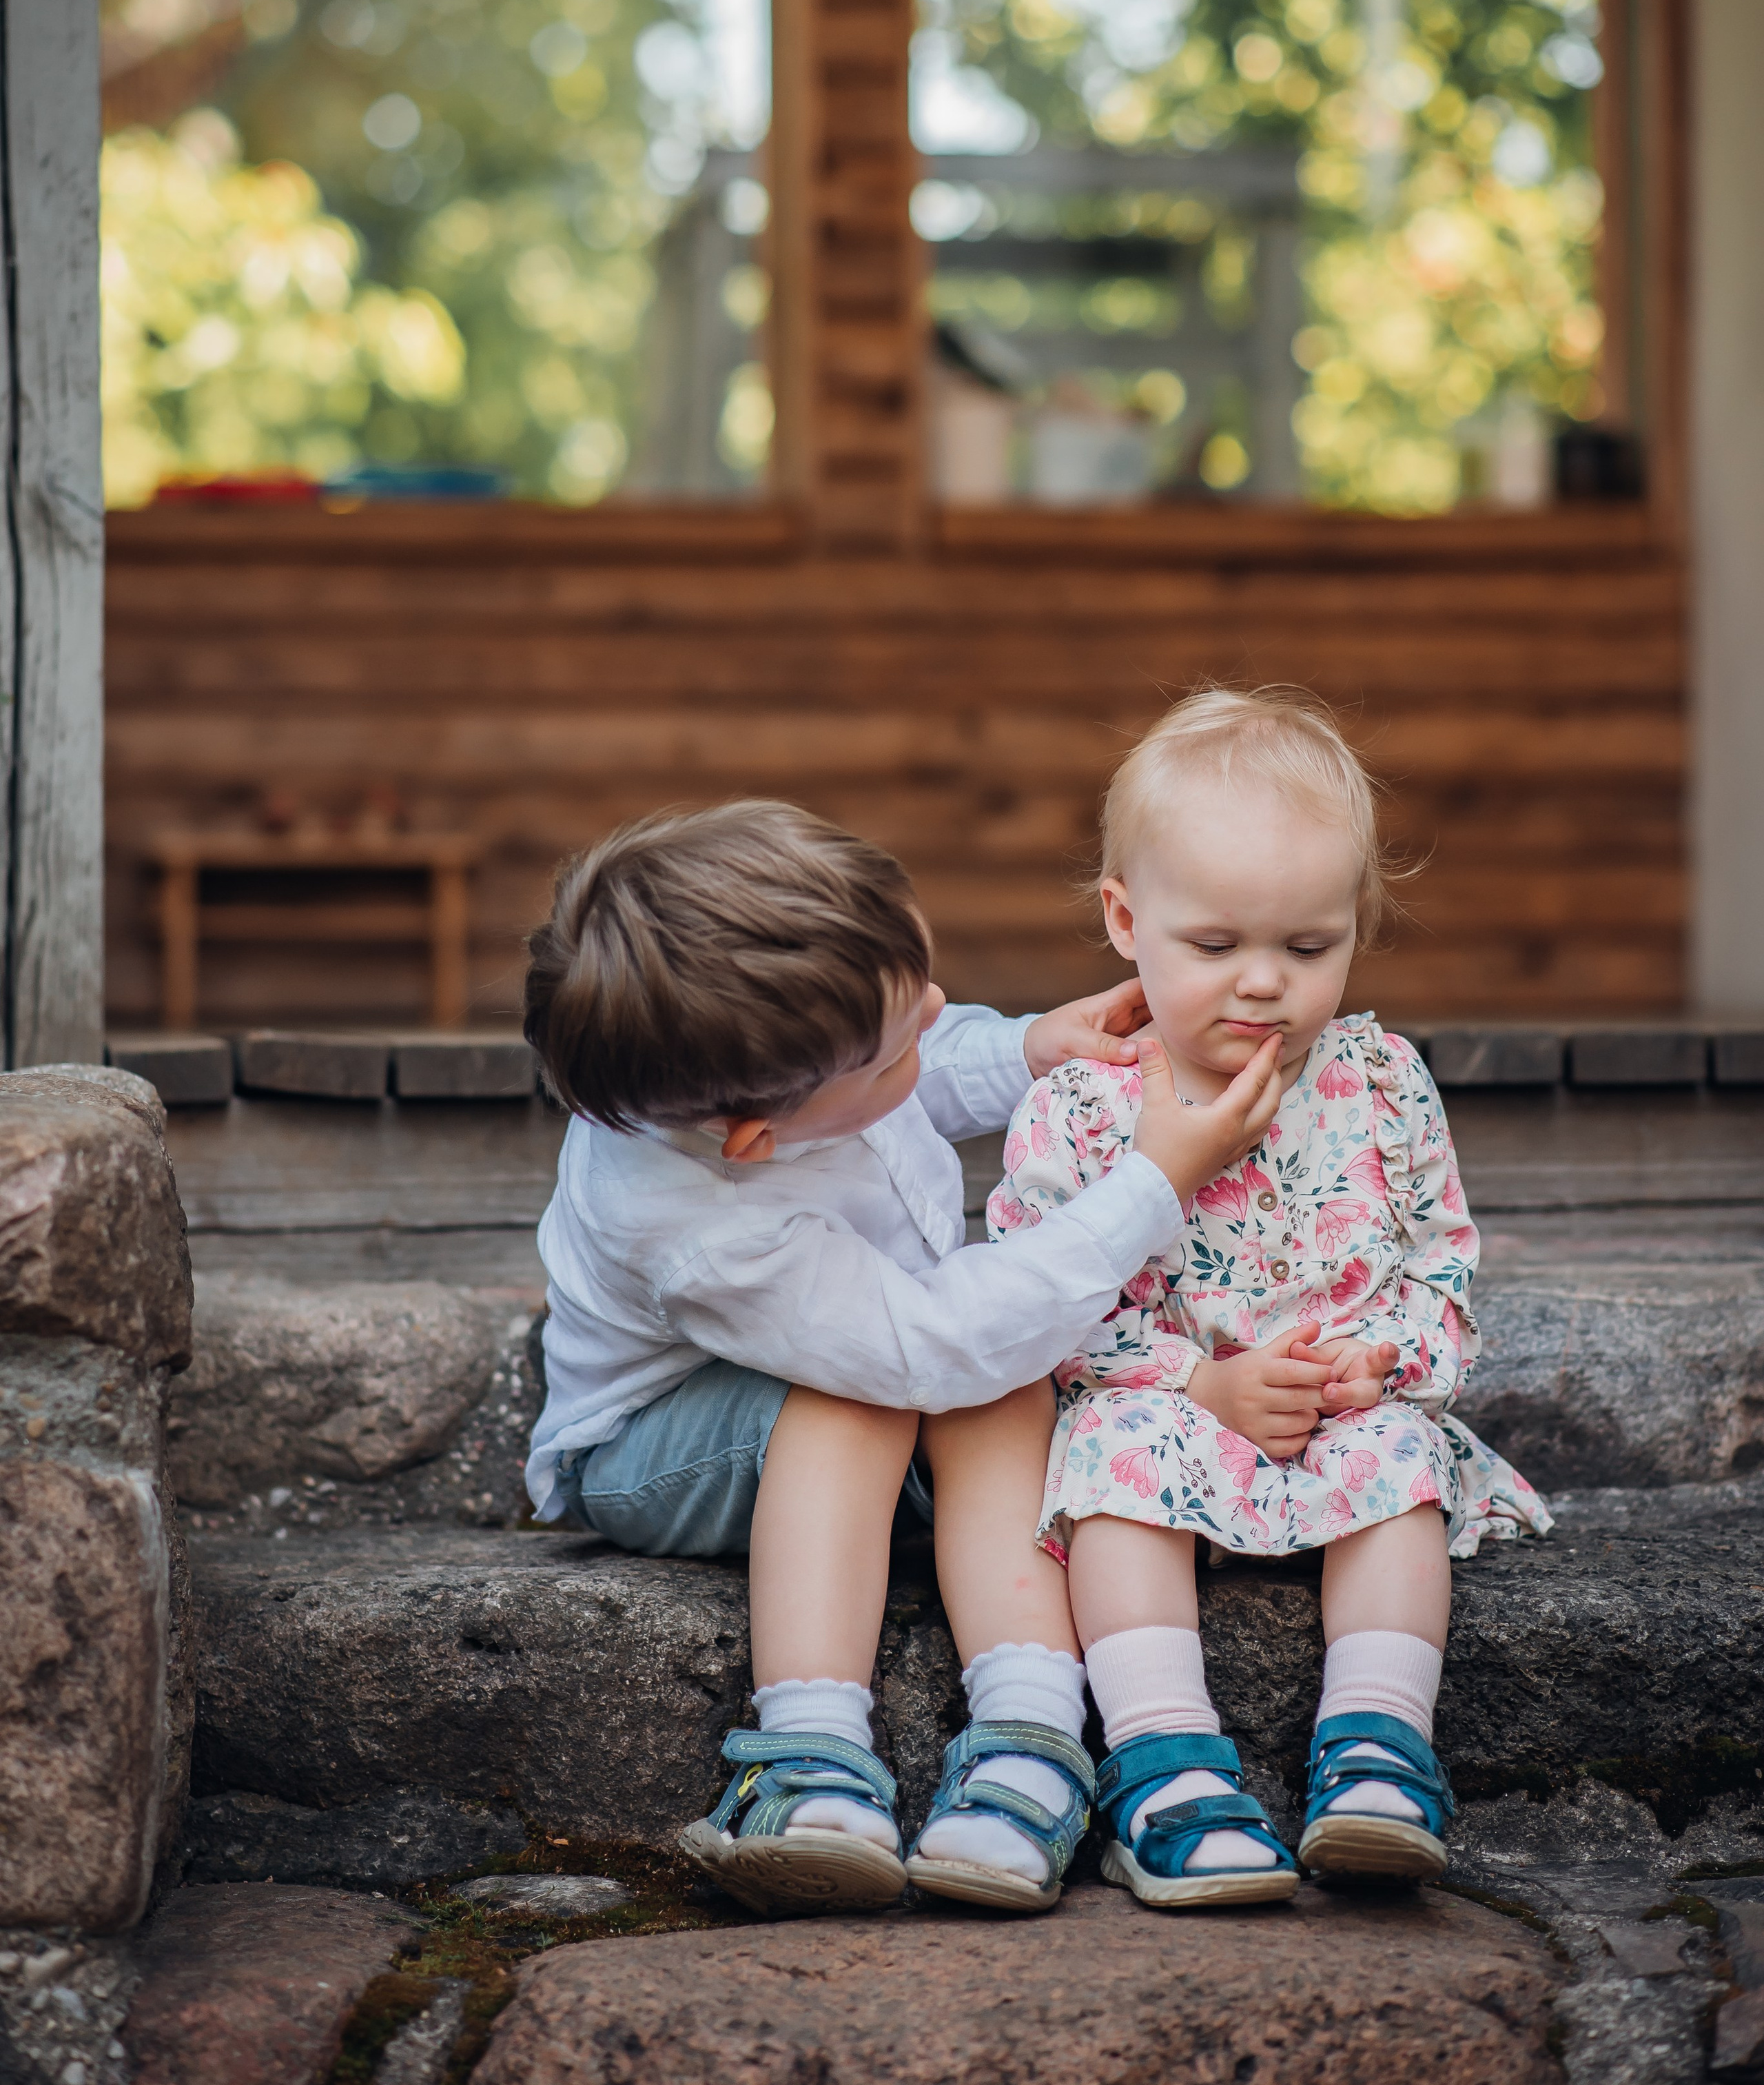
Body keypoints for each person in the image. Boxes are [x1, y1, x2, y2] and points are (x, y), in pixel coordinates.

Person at [522, 799, 1280, 1918]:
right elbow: (924, 1350)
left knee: (1012, 1370)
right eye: (906, 1032)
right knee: (871, 1397)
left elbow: (900, 1082)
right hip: (651, 1446)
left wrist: (1030, 1048)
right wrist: (1150, 1186)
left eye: (918, 987)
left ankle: (1027, 1734)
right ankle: (809, 1756)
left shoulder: (783, 1075)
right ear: (756, 1140)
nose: (936, 1009)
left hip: (884, 1344)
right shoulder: (698, 1222)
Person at [988, 686, 1550, 1909]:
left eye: (1309, 949)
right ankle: (1164, 1765)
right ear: (1126, 921)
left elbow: (1439, 1261)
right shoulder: (1087, 1106)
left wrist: (1378, 1363)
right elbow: (1040, 1305)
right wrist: (1197, 1382)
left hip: (1334, 1415)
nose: (1264, 987)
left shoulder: (1381, 1084)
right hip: (1168, 1406)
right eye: (1216, 947)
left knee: (1401, 1455)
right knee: (1112, 1468)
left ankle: (1377, 1752)